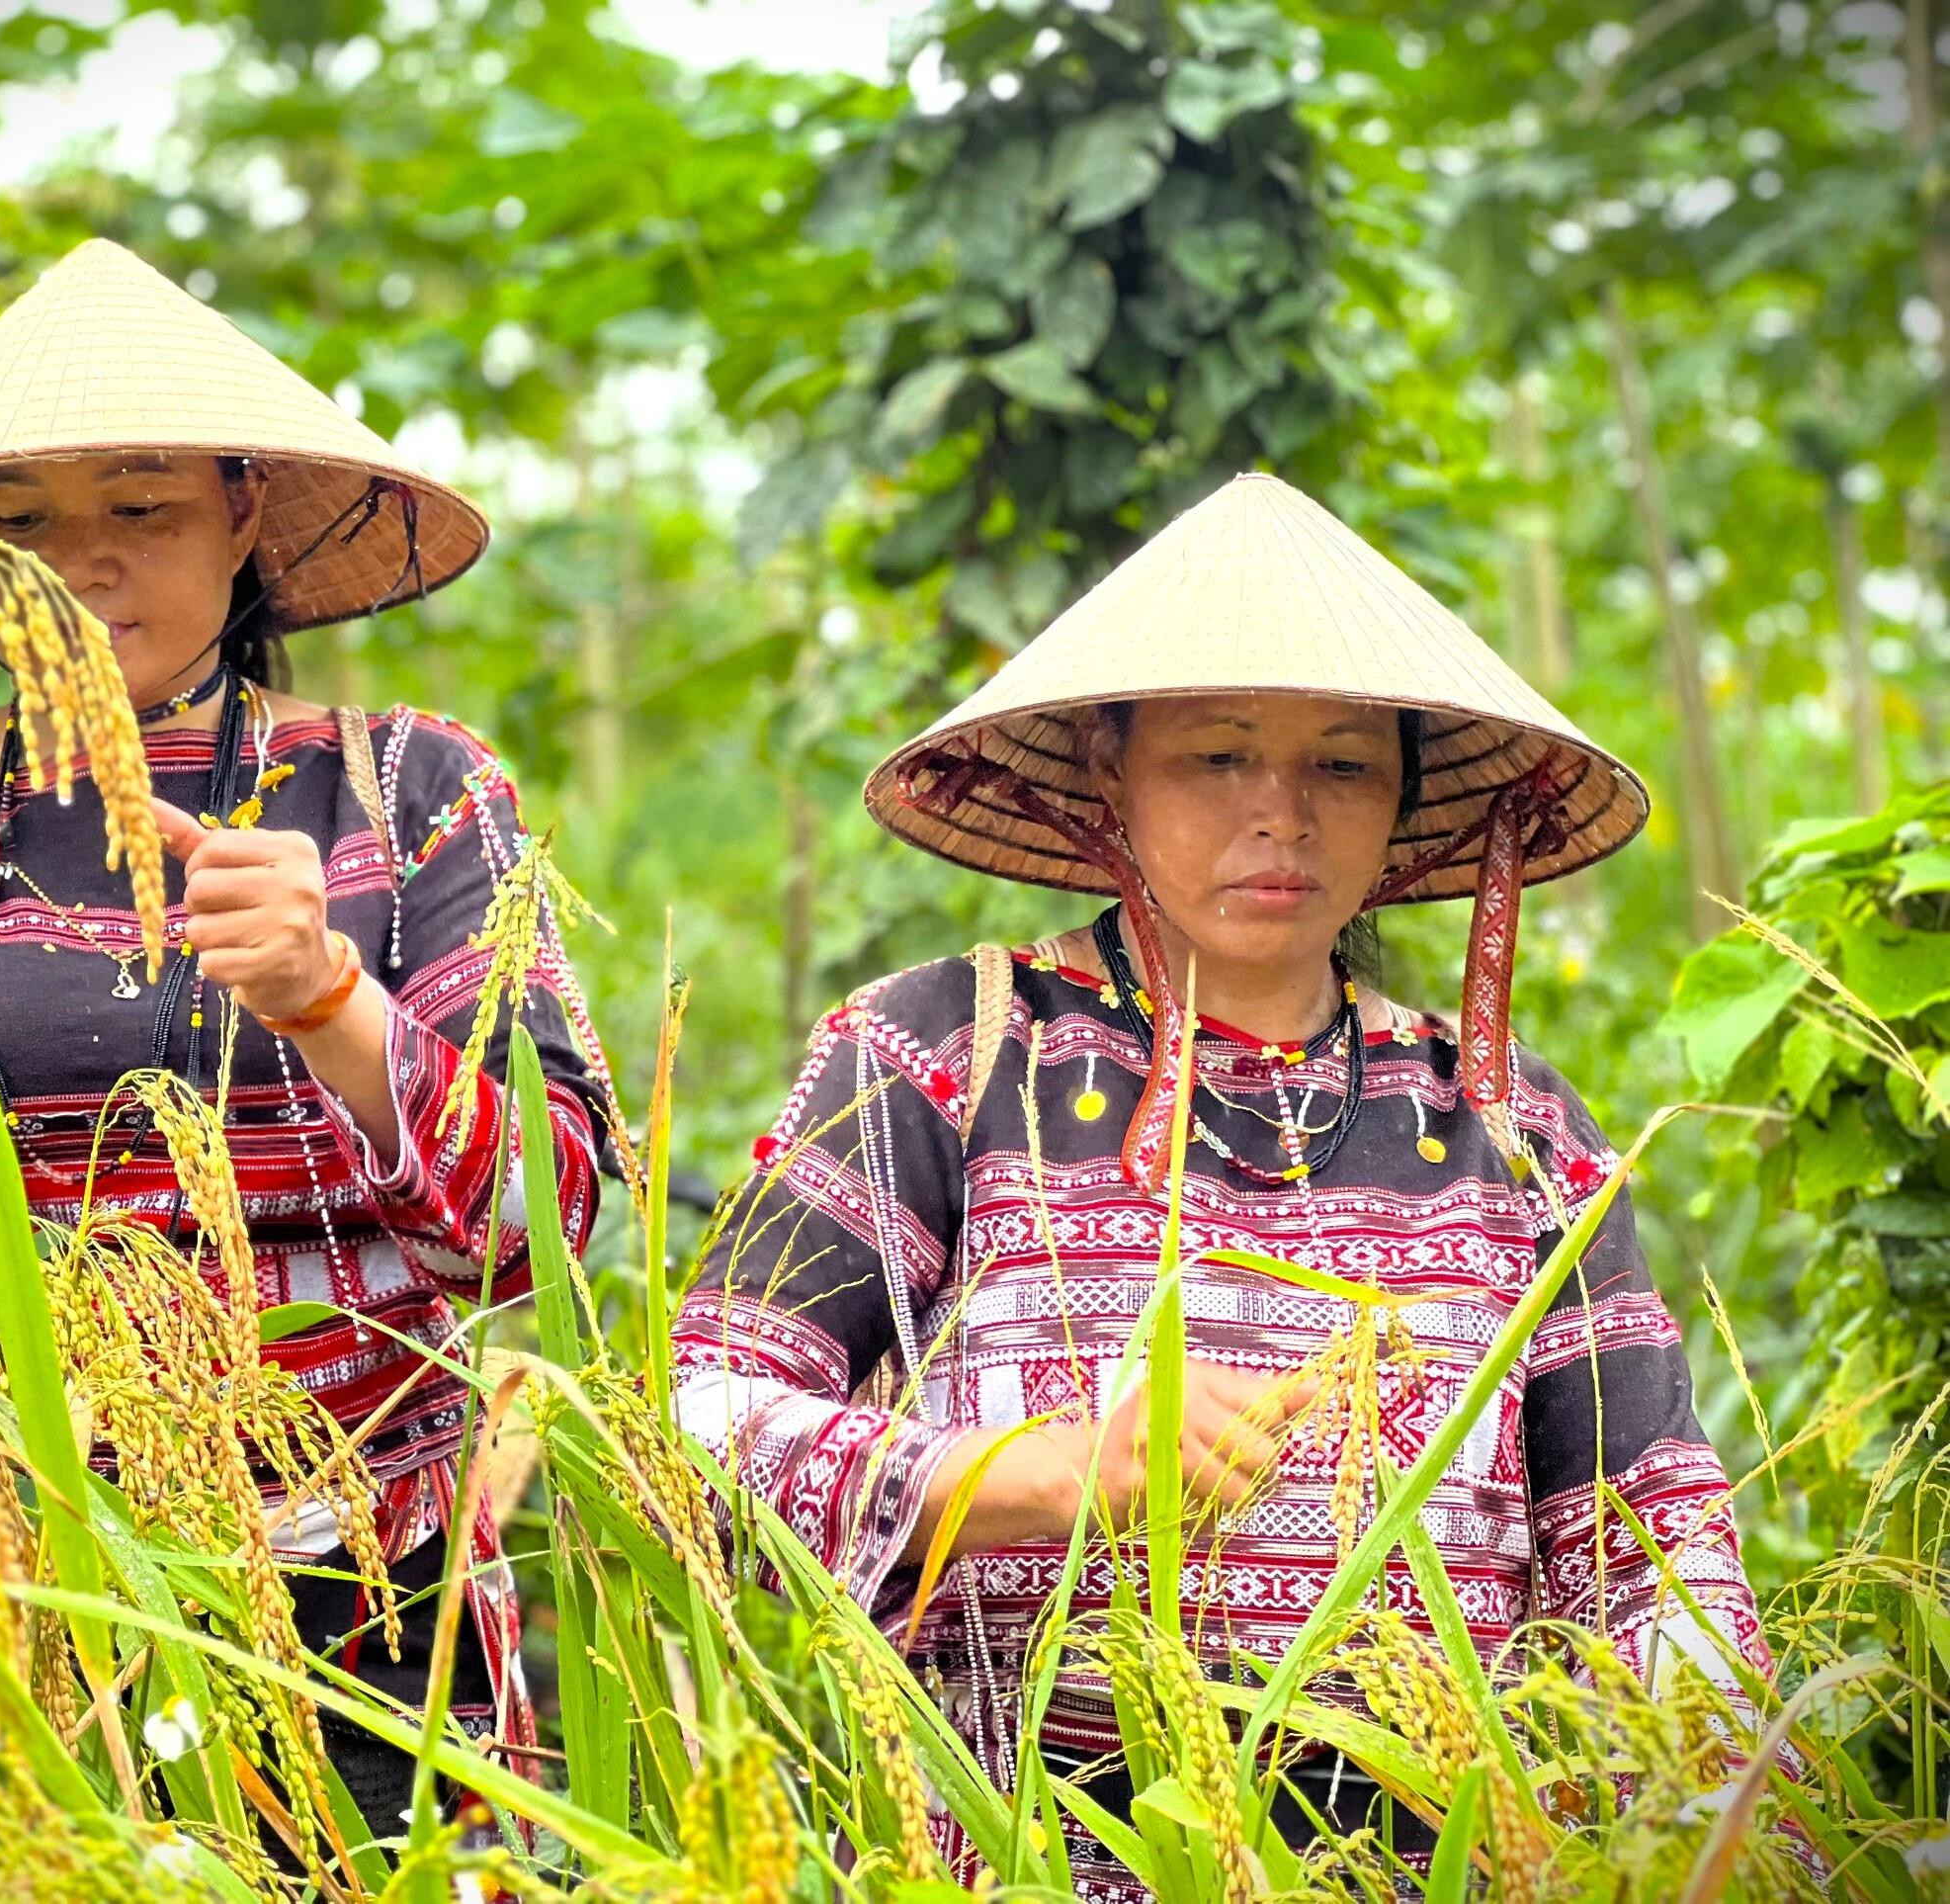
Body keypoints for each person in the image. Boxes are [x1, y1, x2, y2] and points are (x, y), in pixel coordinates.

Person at [672, 473, 1769, 1893]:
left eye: (1343, 765)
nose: (1285, 817)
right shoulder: (944, 1051)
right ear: (1108, 777)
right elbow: (696, 1430)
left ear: (1404, 802)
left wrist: (1719, 1815)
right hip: (1014, 1861)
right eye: (1216, 758)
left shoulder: (1516, 1127)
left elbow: (1653, 1545)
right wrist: (1040, 1471)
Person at [0, 237, 622, 1842]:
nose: (79, 563)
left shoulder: (410, 794)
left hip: (378, 1602)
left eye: (140, 505)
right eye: (23, 518)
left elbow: (552, 1222)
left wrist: (332, 999)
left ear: (246, 510)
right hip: (10, 1596)